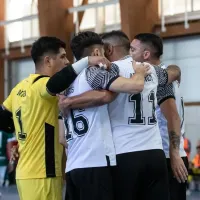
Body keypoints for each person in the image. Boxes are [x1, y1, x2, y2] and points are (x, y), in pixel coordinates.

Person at [59, 30, 182, 200]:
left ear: (108, 49)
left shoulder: (108, 70)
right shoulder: (149, 69)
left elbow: (102, 96)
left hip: (124, 153)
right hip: (155, 153)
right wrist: (177, 71)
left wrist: (69, 102)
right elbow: (171, 73)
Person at [0, 36, 109, 200]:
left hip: (25, 173)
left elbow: (3, 120)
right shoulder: (41, 85)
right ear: (48, 61)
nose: (66, 62)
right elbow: (55, 84)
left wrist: (22, 135)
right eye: (63, 57)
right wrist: (86, 61)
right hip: (43, 172)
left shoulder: (19, 88)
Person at [130, 33, 188, 200]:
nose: (130, 54)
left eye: (133, 50)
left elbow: (173, 117)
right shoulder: (164, 74)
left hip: (169, 156)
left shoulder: (160, 79)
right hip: (169, 154)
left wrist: (174, 154)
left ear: (146, 54)